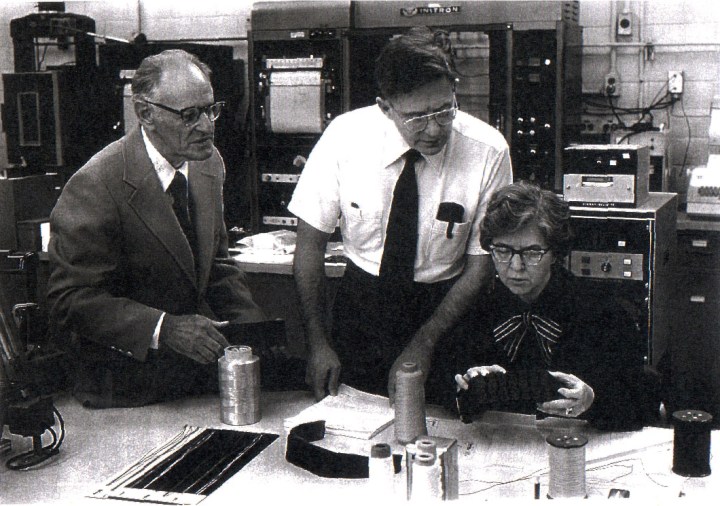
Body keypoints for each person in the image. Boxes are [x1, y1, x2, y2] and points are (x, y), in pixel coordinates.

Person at [288, 26, 512, 403]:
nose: (434, 129)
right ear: (385, 107)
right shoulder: (345, 137)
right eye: (416, 117)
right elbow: (309, 246)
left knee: (445, 431)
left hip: (446, 308)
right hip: (362, 309)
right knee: (354, 425)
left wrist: (424, 343)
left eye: (444, 110)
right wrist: (317, 341)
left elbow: (481, 266)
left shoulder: (488, 151)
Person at [47, 49, 265, 408]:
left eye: (211, 109)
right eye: (190, 115)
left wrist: (256, 332)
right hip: (123, 387)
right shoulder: (97, 182)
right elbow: (69, 300)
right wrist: (164, 329)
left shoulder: (208, 164)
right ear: (145, 113)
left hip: (189, 379)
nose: (207, 126)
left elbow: (217, 266)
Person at [452, 181, 650, 430]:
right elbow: (450, 398)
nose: (516, 267)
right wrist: (471, 389)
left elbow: (640, 405)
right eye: (502, 250)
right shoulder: (478, 310)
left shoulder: (603, 313)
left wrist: (592, 400)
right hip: (503, 446)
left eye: (532, 252)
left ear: (555, 253)